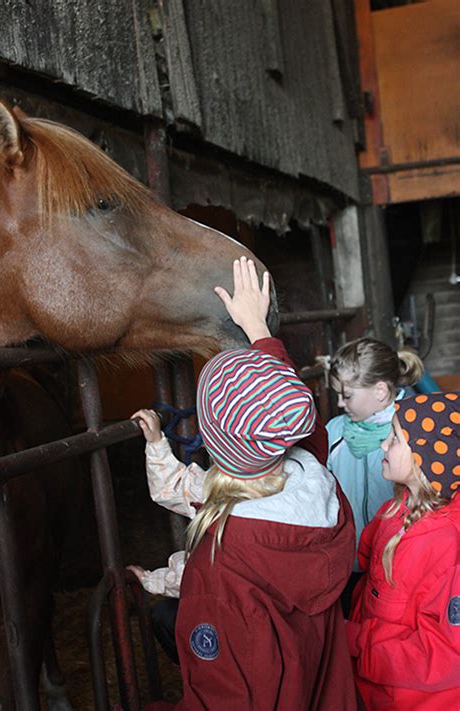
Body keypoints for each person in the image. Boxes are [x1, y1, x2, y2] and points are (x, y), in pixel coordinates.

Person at [132, 258, 357, 709]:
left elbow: (221, 697)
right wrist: (259, 331)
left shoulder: (220, 566)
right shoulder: (319, 486)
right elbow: (299, 422)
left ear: (210, 441)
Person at [345, 392, 460, 709]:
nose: (383, 445)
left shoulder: (446, 543)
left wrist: (355, 642)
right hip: (377, 687)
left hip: (414, 700)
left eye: (395, 438)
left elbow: (446, 653)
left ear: (424, 458)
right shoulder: (394, 510)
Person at [326, 338, 424, 613]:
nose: (340, 403)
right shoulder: (334, 433)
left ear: (381, 391)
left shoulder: (416, 428)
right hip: (350, 565)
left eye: (346, 395)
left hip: (402, 565)